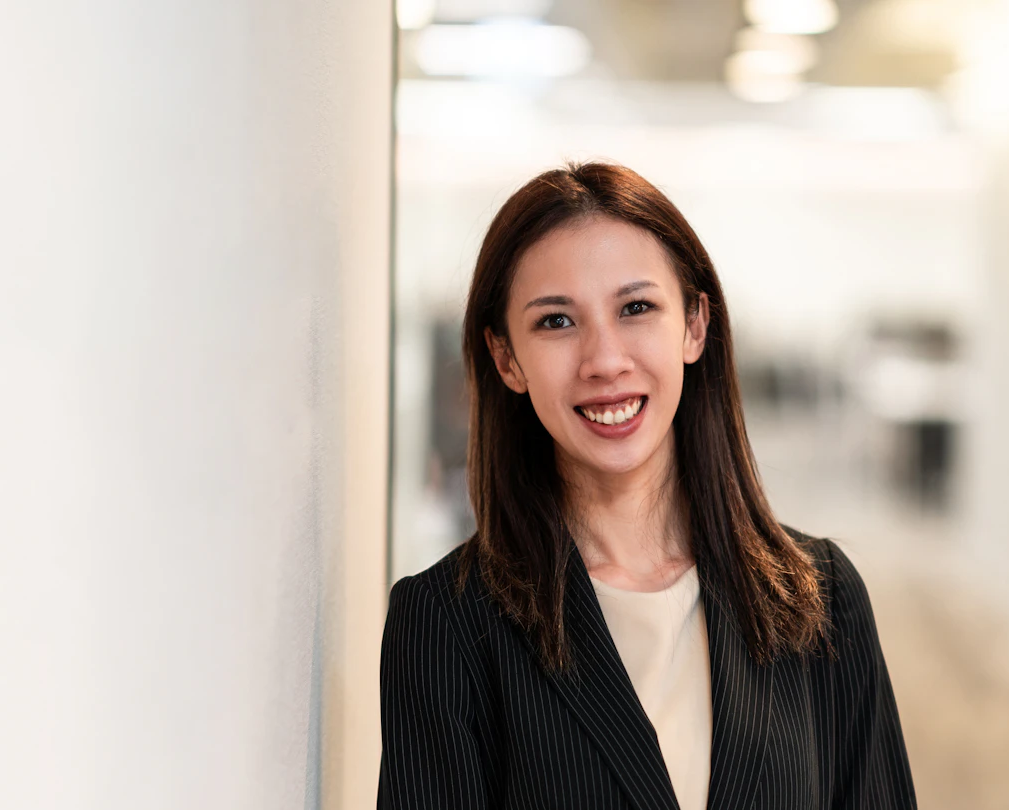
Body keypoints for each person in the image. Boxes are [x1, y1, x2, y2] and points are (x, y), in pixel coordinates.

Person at [378, 161, 916, 809]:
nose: (605, 360)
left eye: (636, 308)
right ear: (506, 359)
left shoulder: (823, 599)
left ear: (694, 325)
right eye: (556, 321)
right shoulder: (446, 626)